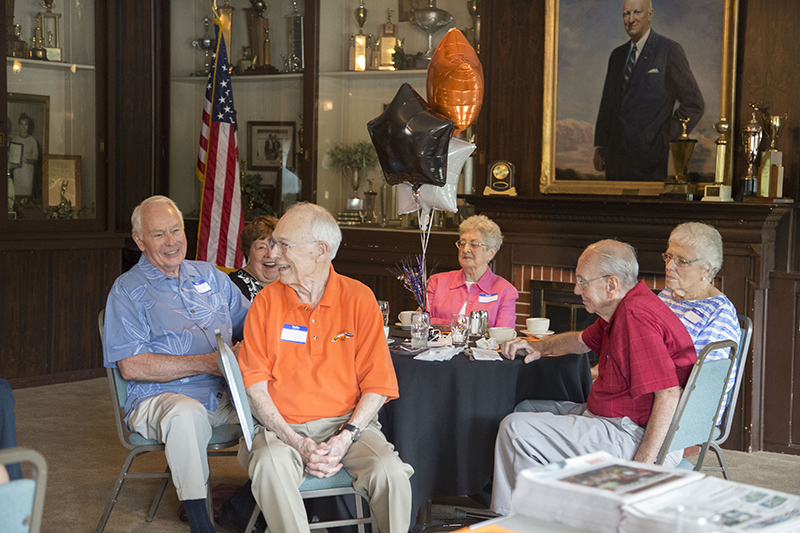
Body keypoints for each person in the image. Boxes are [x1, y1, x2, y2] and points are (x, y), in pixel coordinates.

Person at [237, 202, 413, 533]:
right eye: (274, 242)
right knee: (270, 466)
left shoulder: (359, 299)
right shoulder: (265, 302)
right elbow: (254, 386)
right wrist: (294, 440)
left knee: (391, 474)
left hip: (349, 427)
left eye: (285, 244)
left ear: (321, 251)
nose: (274, 253)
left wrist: (346, 436)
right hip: (280, 428)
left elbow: (378, 384)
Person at [491, 239, 696, 516]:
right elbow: (580, 341)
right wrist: (540, 347)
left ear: (611, 284)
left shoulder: (636, 318)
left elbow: (670, 395)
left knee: (515, 429)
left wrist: (643, 470)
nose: (576, 290)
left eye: (582, 281)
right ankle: (552, 512)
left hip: (635, 435)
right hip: (616, 420)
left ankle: (511, 520)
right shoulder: (625, 307)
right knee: (525, 408)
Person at [103, 195, 250, 533]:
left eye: (176, 230)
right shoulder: (127, 291)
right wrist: (208, 363)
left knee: (286, 402)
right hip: (160, 400)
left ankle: (246, 506)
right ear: (140, 241)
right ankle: (202, 525)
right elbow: (132, 366)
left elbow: (255, 323)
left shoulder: (210, 275)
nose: (171, 242)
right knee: (186, 413)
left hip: (226, 395)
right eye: (158, 235)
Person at [593, 0, 704, 182]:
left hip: (648, 160)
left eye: (637, 12)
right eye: (626, 14)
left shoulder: (669, 50)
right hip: (614, 159)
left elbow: (695, 104)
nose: (631, 19)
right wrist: (601, 146)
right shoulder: (617, 55)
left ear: (650, 15)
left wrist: (664, 139)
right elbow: (608, 103)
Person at [659, 222, 739, 419]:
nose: (669, 266)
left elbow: (704, 388)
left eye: (682, 261)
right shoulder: (667, 295)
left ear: (706, 270)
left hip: (681, 415)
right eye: (669, 256)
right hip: (651, 395)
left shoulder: (719, 314)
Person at [426, 215, 518, 327]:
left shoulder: (505, 291)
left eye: (474, 244)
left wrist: (442, 324)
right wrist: (462, 326)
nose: (465, 249)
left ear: (491, 252)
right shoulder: (436, 282)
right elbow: (423, 324)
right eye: (462, 243)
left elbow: (503, 335)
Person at [229, 215, 280, 300]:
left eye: (275, 246)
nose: (270, 254)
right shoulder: (233, 287)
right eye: (261, 247)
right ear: (248, 253)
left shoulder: (291, 286)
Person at [9, 113, 40, 196]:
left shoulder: (32, 140)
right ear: (19, 125)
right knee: (16, 195)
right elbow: (11, 158)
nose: (23, 127)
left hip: (27, 172)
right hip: (17, 172)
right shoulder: (15, 139)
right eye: (21, 124)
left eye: (25, 124)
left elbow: (35, 159)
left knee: (26, 196)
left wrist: (27, 160)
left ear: (28, 126)